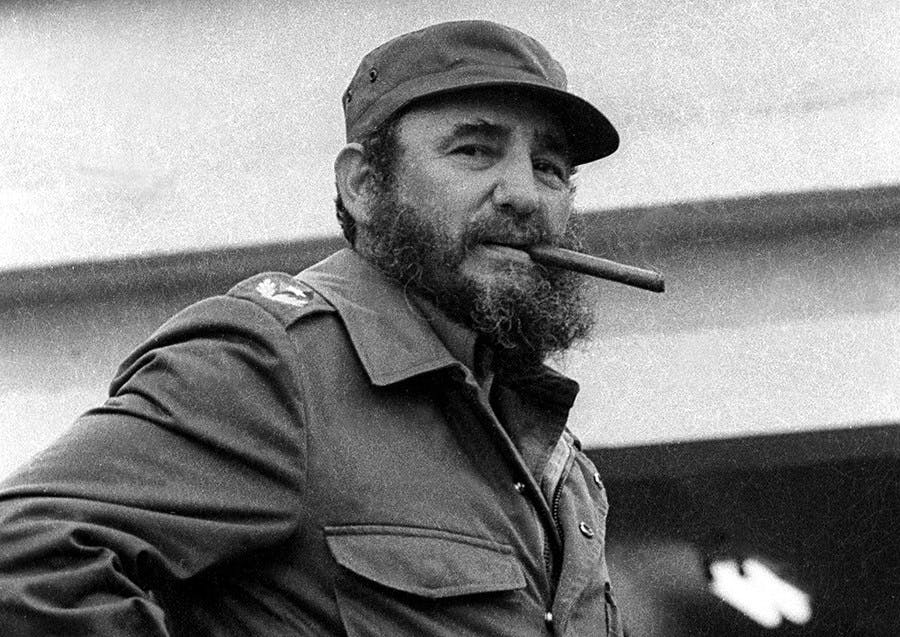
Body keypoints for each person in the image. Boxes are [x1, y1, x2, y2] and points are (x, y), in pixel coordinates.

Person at [0, 20, 623, 636]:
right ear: (363, 186)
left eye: (549, 166)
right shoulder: (273, 364)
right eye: (474, 151)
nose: (524, 194)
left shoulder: (558, 463)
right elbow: (26, 555)